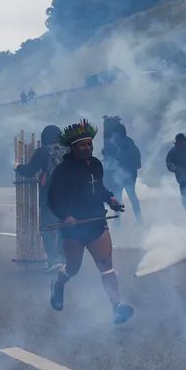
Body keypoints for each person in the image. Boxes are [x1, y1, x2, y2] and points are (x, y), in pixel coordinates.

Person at [47, 120, 133, 325]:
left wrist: (110, 199)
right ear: (74, 148)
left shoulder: (96, 164)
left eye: (89, 144)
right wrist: (65, 215)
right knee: (73, 268)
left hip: (96, 223)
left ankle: (117, 307)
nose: (87, 148)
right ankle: (58, 286)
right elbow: (54, 198)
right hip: (74, 228)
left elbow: (99, 188)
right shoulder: (63, 170)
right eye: (82, 145)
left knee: (106, 267)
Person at [15, 125, 67, 271]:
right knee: (64, 228)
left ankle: (53, 260)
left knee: (47, 229)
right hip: (69, 197)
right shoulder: (69, 151)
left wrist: (17, 167)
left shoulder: (43, 152)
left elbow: (29, 171)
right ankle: (64, 260)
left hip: (49, 197)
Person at [102, 124, 143, 224]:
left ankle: (120, 220)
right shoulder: (126, 143)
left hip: (126, 175)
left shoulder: (124, 144)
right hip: (124, 175)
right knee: (125, 197)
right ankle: (136, 219)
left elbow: (123, 159)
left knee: (123, 197)